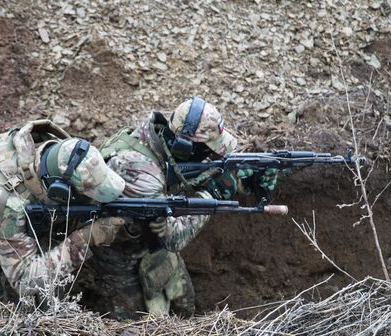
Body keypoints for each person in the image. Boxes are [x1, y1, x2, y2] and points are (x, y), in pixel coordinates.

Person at [80, 97, 278, 319]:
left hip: (153, 235)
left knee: (184, 306)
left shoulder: (160, 141)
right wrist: (215, 192)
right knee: (138, 326)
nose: (211, 155)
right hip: (119, 251)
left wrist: (243, 175)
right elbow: (175, 238)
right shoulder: (138, 168)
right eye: (207, 150)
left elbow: (192, 171)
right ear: (185, 148)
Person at [0, 120, 126, 316]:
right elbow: (25, 280)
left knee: (53, 304)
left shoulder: (57, 151)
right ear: (59, 192)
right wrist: (84, 239)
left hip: (16, 223)